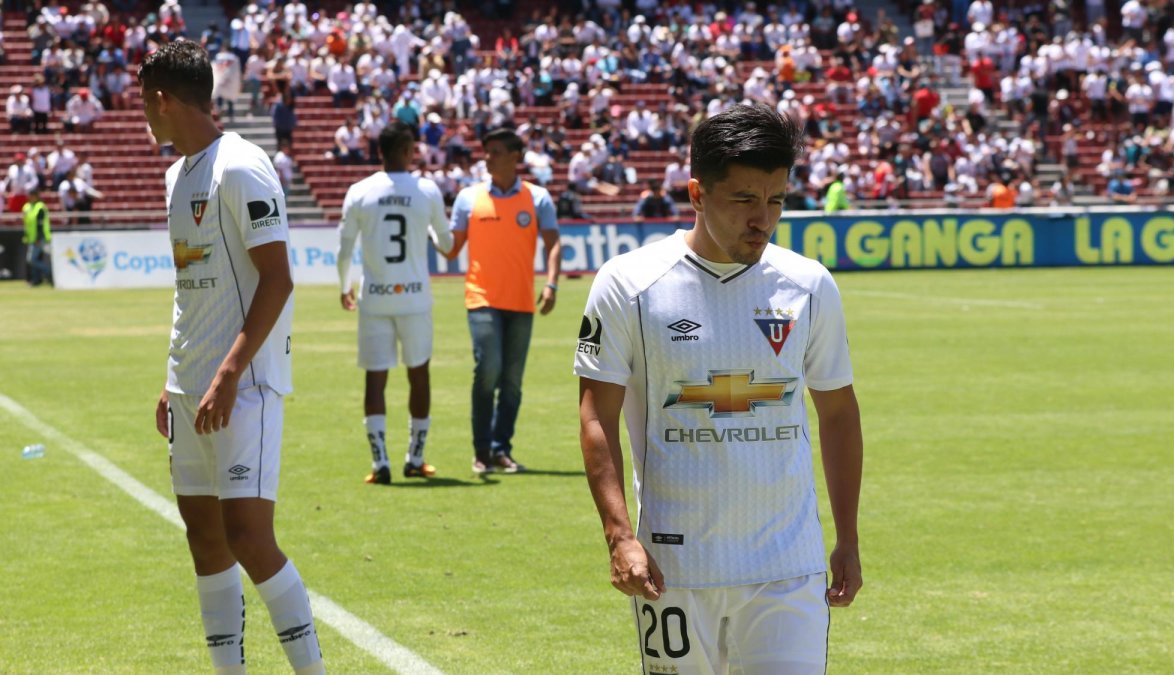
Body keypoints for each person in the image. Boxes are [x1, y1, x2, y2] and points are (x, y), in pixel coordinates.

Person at [574, 103, 863, 674]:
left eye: (776, 200)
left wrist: (847, 537)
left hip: (787, 565)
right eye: (745, 200)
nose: (763, 218)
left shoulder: (808, 285)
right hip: (675, 569)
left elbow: (838, 413)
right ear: (697, 193)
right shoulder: (629, 285)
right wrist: (619, 536)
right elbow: (595, 417)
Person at [139, 40, 324, 675]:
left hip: (243, 386)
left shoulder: (243, 166)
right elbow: (188, 285)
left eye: (145, 103)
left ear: (162, 100)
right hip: (192, 387)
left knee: (248, 536)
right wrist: (175, 377)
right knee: (205, 540)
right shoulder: (175, 175)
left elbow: (278, 279)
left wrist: (227, 373)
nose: (143, 116)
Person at [336, 122, 453, 484]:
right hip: (415, 299)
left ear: (379, 152)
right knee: (419, 376)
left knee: (376, 380)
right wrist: (433, 234)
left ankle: (380, 463)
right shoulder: (427, 191)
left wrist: (345, 286)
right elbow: (447, 245)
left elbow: (344, 250)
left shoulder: (359, 191)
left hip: (375, 298)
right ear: (408, 151)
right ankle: (415, 457)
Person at [446, 128, 562, 474]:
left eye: (495, 151)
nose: (487, 157)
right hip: (481, 298)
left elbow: (553, 243)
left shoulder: (538, 198)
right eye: (486, 151)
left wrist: (552, 283)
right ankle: (481, 451)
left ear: (516, 157)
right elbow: (451, 247)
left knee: (512, 381)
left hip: (521, 301)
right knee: (488, 370)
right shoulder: (468, 198)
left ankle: (500, 449)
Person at [22, 187, 52, 286]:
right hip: (31, 238)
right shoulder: (27, 207)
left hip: (39, 238)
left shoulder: (40, 207)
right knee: (33, 260)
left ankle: (50, 272)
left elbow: (40, 224)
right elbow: (27, 223)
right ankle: (36, 280)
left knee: (32, 259)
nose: (30, 197)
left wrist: (38, 238)